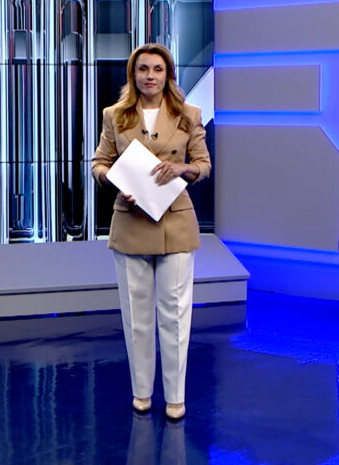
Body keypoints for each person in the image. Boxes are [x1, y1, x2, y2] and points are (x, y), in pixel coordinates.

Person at [91, 43, 211, 420]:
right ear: (133, 74)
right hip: (131, 221)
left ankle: (175, 397)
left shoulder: (189, 114)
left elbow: (204, 164)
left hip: (175, 221)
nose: (150, 76)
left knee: (174, 315)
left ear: (168, 74)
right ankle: (141, 392)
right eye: (143, 69)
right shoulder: (114, 115)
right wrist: (113, 179)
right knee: (136, 317)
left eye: (157, 69)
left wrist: (182, 169)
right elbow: (99, 163)